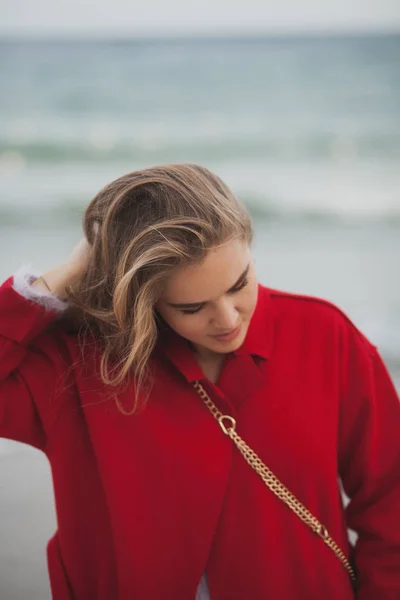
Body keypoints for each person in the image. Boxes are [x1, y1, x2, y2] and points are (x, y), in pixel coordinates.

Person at [0, 163, 399, 600]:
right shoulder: (81, 367)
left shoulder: (326, 336)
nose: (228, 319)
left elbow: (390, 499)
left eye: (240, 283)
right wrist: (65, 274)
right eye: (192, 308)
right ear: (147, 300)